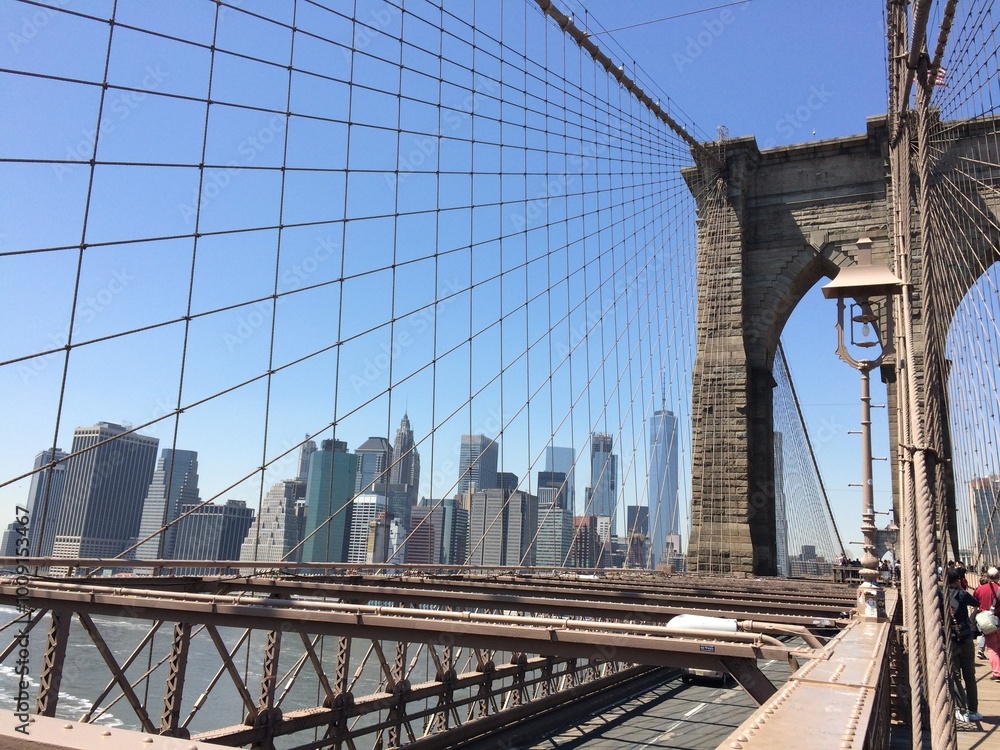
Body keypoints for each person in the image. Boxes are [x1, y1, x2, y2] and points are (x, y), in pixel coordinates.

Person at [945, 567, 983, 722]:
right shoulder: (961, 594)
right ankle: (973, 710)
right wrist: (961, 587)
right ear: (957, 580)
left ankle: (961, 709)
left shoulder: (941, 595)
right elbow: (975, 602)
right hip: (966, 639)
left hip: (951, 640)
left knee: (955, 676)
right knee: (970, 676)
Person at [972, 566, 1000, 681]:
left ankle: (997, 673)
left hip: (987, 623)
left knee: (992, 648)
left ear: (987, 577)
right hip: (999, 620)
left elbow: (974, 603)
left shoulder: (980, 589)